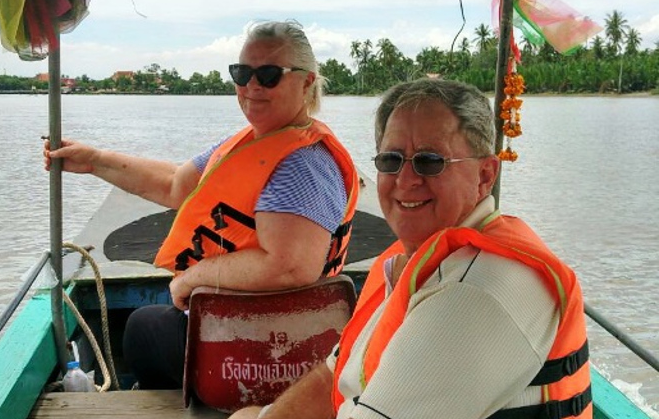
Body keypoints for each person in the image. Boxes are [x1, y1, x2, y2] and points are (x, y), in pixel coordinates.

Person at [229, 78, 591, 419]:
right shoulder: (414, 260)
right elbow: (333, 376)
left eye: (430, 161)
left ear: (485, 176)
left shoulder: (477, 291)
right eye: (391, 160)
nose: (406, 180)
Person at [44, 20, 359, 390]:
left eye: (270, 74)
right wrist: (96, 161)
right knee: (152, 323)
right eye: (242, 73)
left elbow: (290, 267)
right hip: (244, 326)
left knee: (142, 329)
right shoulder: (247, 144)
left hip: (271, 345)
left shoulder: (302, 166)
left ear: (307, 82)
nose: (252, 86)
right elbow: (177, 185)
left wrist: (192, 278)